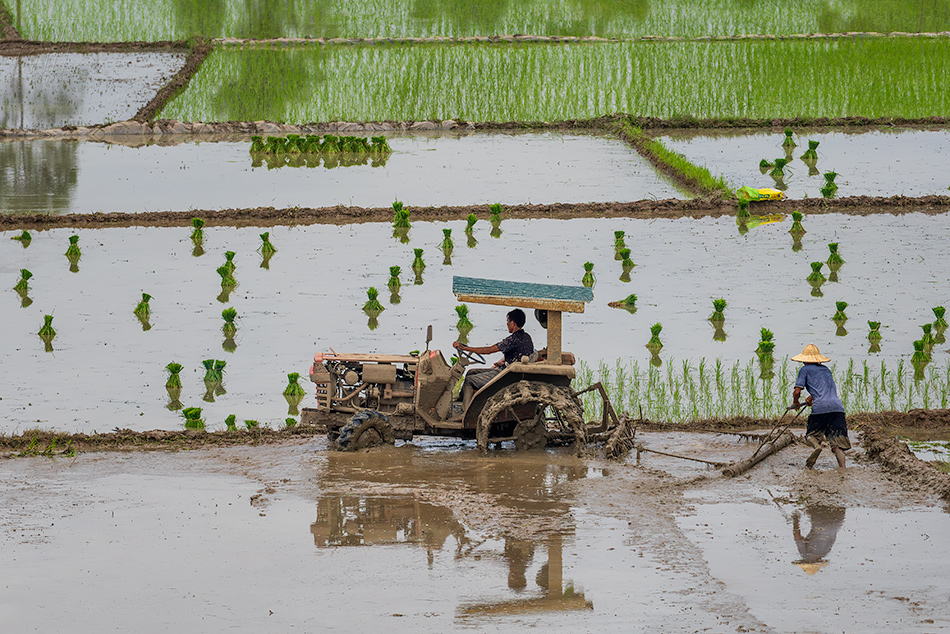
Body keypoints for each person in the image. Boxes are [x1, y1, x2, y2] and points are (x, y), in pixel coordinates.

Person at [454, 308, 534, 408]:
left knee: (469, 381)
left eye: (508, 322)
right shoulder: (526, 337)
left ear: (513, 323)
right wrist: (504, 363)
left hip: (505, 376)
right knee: (471, 372)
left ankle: (465, 411)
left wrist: (465, 348)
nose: (507, 324)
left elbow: (489, 350)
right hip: (510, 371)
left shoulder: (513, 339)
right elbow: (519, 356)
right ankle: (459, 402)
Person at [790, 344, 851, 468]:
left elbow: (797, 391)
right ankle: (842, 468)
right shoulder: (826, 370)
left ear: (804, 360)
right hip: (837, 408)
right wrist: (811, 397)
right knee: (837, 444)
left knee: (811, 436)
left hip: (820, 408)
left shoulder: (805, 370)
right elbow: (824, 389)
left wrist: (796, 402)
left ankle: (817, 447)